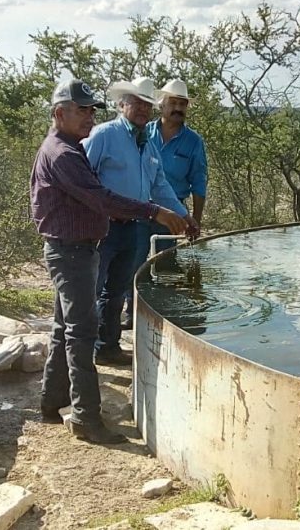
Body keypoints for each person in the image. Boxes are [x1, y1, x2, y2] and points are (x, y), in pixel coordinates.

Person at [30, 79, 188, 444]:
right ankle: (86, 418)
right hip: (72, 250)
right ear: (59, 113)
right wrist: (155, 212)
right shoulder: (64, 154)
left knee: (64, 328)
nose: (88, 117)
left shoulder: (68, 147)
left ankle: (52, 403)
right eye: (81, 110)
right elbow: (101, 198)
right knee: (82, 332)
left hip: (75, 247)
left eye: (90, 110)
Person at [82, 77, 197, 366]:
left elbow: (160, 188)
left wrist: (185, 215)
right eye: (136, 103)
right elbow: (82, 178)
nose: (142, 109)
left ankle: (106, 347)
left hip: (133, 227)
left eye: (147, 104)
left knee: (117, 290)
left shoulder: (147, 143)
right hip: (102, 227)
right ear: (122, 104)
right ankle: (79, 352)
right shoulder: (104, 135)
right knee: (90, 289)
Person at [121, 79, 208, 327]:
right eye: (173, 103)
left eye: (182, 103)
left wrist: (196, 220)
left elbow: (199, 181)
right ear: (162, 104)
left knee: (166, 261)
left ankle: (165, 312)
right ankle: (133, 312)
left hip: (174, 210)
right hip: (139, 207)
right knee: (135, 260)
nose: (178, 108)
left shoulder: (193, 142)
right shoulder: (143, 132)